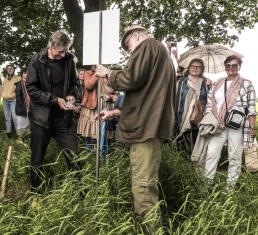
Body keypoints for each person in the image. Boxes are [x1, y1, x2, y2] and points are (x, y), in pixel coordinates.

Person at [95, 25, 175, 234]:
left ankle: (152, 231)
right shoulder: (160, 54)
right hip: (151, 125)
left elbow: (131, 79)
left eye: (127, 46)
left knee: (143, 186)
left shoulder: (147, 47)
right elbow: (146, 97)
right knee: (145, 181)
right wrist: (115, 112)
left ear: (136, 36)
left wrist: (108, 73)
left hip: (146, 130)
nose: (129, 52)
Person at [26, 30, 80, 193]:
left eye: (66, 51)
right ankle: (36, 193)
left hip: (64, 118)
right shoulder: (37, 60)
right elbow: (31, 89)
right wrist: (55, 100)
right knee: (37, 159)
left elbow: (75, 82)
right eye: (60, 52)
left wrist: (71, 94)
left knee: (74, 156)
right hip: (41, 118)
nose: (63, 55)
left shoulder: (69, 60)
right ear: (51, 46)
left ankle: (80, 193)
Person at [203, 55, 257, 191]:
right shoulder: (217, 83)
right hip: (218, 125)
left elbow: (251, 108)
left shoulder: (247, 83)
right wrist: (211, 119)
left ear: (239, 66)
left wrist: (252, 127)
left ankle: (230, 187)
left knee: (235, 156)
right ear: (224, 67)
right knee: (211, 153)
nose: (231, 68)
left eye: (234, 65)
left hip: (237, 126)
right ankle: (206, 184)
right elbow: (210, 103)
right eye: (228, 65)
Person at [173, 59, 208, 158]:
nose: (195, 68)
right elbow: (174, 99)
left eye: (198, 67)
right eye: (193, 66)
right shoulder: (181, 82)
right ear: (188, 67)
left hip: (198, 119)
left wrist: (209, 87)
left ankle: (194, 168)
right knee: (181, 145)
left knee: (196, 146)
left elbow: (209, 101)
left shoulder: (206, 83)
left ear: (202, 69)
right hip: (181, 117)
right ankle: (181, 167)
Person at [77, 65, 116, 153]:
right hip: (92, 107)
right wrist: (97, 73)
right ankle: (89, 159)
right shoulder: (89, 73)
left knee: (103, 135)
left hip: (106, 106)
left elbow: (116, 95)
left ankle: (104, 160)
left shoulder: (109, 75)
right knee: (90, 136)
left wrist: (110, 97)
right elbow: (88, 86)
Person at [2, 64, 21, 138]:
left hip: (13, 100)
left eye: (11, 68)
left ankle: (19, 136)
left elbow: (20, 89)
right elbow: (3, 89)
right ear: (7, 70)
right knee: (7, 119)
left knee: (15, 118)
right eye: (8, 69)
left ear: (14, 69)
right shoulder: (5, 79)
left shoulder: (18, 78)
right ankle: (9, 135)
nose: (10, 70)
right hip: (5, 101)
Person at [15, 67, 30, 143]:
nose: (27, 74)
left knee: (29, 125)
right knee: (21, 125)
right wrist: (22, 106)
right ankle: (19, 141)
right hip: (22, 108)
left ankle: (27, 140)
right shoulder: (19, 84)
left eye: (28, 73)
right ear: (22, 74)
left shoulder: (31, 83)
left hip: (31, 107)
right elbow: (18, 97)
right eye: (25, 73)